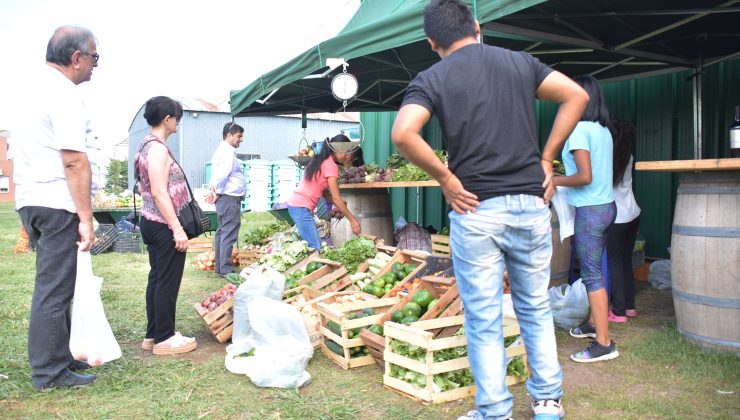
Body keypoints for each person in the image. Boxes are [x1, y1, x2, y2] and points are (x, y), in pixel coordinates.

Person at [391, 1, 588, 418]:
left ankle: (495, 411)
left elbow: (404, 134)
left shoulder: (432, 77)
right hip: (532, 205)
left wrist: (446, 179)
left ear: (432, 42)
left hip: (476, 208)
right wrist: (546, 157)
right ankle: (548, 403)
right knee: (534, 307)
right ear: (477, 26)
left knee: (483, 318)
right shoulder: (520, 62)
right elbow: (576, 95)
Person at [13, 25, 99, 390]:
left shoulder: (30, 90)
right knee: (54, 290)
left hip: (32, 199)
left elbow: (9, 150)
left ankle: (59, 358)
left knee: (56, 284)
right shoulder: (63, 93)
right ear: (76, 57)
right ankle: (49, 372)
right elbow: (74, 161)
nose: (96, 65)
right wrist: (86, 217)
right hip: (55, 202)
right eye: (95, 57)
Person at [553, 75, 618, 363]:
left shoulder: (579, 130)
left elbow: (584, 176)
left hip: (590, 212)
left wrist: (553, 179)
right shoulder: (603, 130)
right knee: (595, 272)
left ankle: (604, 343)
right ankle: (593, 324)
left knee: (591, 274)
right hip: (606, 206)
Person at [134, 96, 197, 355]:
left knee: (158, 279)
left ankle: (153, 334)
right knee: (167, 282)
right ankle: (165, 337)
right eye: (177, 117)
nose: (178, 122)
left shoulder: (144, 145)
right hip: (161, 224)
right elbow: (159, 192)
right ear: (167, 119)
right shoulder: (158, 149)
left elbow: (141, 187)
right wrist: (177, 228)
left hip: (150, 221)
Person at [286, 134, 362, 251]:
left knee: (313, 246)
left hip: (296, 204)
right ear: (337, 149)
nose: (347, 156)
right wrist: (353, 220)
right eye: (346, 152)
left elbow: (325, 193)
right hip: (301, 207)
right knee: (315, 247)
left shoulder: (318, 160)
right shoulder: (331, 166)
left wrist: (339, 206)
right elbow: (336, 198)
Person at [606, 120, 641, 321]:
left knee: (615, 263)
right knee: (625, 261)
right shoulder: (628, 156)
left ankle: (618, 311)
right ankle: (629, 306)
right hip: (633, 214)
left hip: (618, 218)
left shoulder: (608, 159)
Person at [206, 122, 246, 277]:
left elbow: (219, 174)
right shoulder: (228, 152)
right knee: (229, 232)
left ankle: (220, 267)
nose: (240, 140)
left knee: (222, 232)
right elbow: (223, 173)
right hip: (229, 199)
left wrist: (215, 190)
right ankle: (226, 269)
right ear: (229, 135)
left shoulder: (221, 150)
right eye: (238, 136)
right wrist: (214, 189)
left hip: (224, 197)